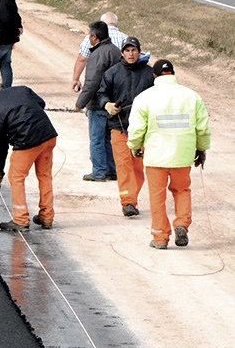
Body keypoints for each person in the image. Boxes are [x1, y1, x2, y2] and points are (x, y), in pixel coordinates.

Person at [128, 60, 211, 249]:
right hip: (182, 155)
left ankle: (160, 238)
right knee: (182, 190)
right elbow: (203, 128)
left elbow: (136, 129)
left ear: (155, 76)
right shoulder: (192, 96)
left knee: (157, 196)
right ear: (173, 73)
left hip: (156, 157)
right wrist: (201, 148)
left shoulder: (145, 97)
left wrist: (135, 146)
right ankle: (181, 224)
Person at [0, 82, 59, 231]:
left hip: (27, 141)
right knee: (45, 176)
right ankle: (47, 217)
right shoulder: (19, 90)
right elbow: (41, 103)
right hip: (48, 135)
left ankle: (21, 219)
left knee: (16, 177)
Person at [97, 36, 155, 217]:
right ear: (122, 53)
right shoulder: (112, 73)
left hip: (142, 130)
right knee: (123, 166)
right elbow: (101, 93)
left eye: (134, 50)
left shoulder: (149, 73)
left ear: (139, 52)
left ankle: (132, 198)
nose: (131, 54)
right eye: (127, 50)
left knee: (138, 168)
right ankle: (128, 202)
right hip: (118, 126)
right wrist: (107, 105)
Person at [75, 20, 122, 182]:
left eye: (89, 35)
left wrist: (80, 103)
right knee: (108, 138)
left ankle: (99, 172)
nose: (88, 37)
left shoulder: (97, 54)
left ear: (95, 37)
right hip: (114, 104)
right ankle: (111, 170)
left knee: (96, 138)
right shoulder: (116, 51)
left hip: (99, 102)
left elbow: (92, 82)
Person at [71, 12, 127, 92]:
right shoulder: (126, 38)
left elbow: (82, 59)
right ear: (116, 23)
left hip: (98, 82)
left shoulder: (91, 37)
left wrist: (75, 79)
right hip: (120, 82)